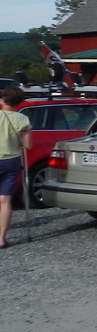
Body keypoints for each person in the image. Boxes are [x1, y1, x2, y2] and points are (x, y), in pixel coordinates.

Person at [0, 85, 32, 249]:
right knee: (5, 200)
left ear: (3, 99)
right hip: (11, 160)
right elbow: (27, 145)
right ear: (19, 103)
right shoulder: (22, 119)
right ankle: (1, 239)